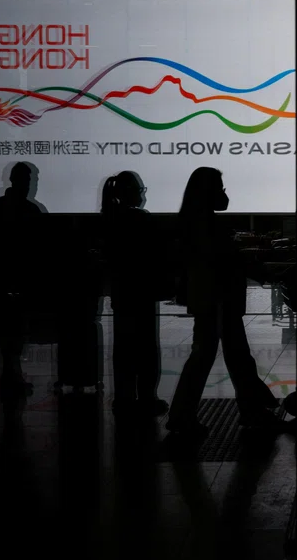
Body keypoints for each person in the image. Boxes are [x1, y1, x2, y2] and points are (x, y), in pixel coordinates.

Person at [166, 168, 279, 439]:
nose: (224, 194)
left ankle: (251, 408)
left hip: (212, 298)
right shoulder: (207, 226)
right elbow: (224, 261)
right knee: (215, 356)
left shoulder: (194, 222)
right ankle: (185, 415)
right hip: (217, 299)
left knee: (229, 355)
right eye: (220, 188)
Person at [100, 171, 168, 416]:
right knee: (146, 348)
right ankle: (147, 397)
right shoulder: (141, 220)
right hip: (142, 292)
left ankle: (124, 396)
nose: (142, 195)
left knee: (124, 347)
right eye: (140, 190)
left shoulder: (109, 219)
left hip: (123, 292)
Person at [0, 162, 47, 396]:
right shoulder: (31, 211)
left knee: (7, 334)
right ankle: (12, 377)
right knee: (15, 333)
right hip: (19, 279)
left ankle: (10, 377)